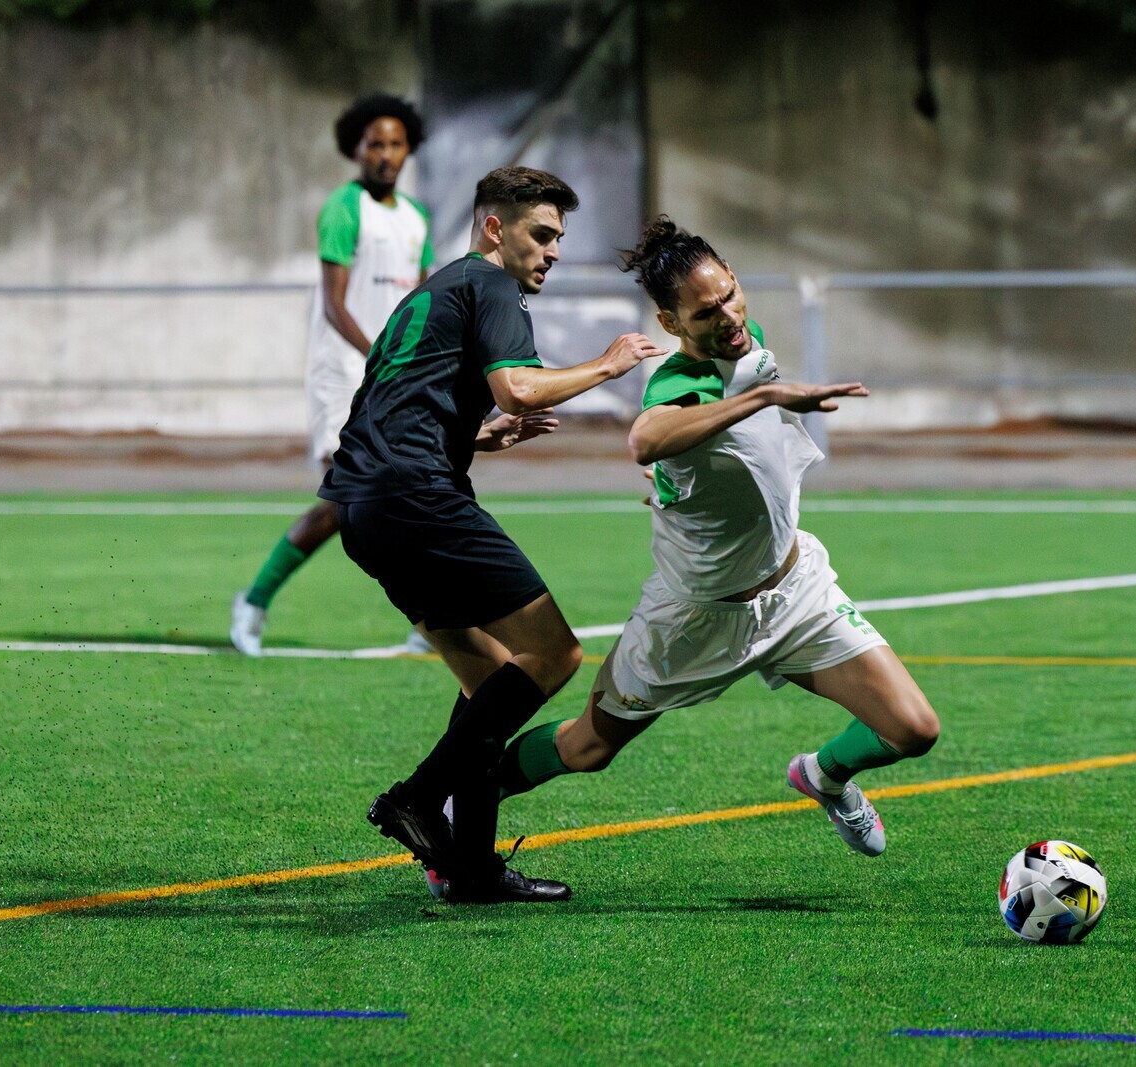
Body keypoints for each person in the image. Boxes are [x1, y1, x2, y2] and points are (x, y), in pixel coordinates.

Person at [444, 217, 942, 895]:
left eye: (729, 295)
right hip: (693, 619)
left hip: (793, 592)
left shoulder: (745, 339)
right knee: (589, 747)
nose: (728, 318)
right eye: (705, 313)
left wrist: (684, 485)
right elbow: (646, 439)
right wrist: (761, 401)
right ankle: (469, 800)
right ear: (671, 323)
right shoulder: (678, 381)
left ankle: (824, 775)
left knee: (914, 728)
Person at [320, 167, 666, 903]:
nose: (552, 251)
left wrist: (475, 436)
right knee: (555, 653)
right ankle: (418, 799)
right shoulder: (492, 284)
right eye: (541, 234)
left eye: (558, 238)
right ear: (494, 228)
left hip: (363, 504)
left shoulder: (435, 289)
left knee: (489, 679)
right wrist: (607, 365)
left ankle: (471, 870)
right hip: (417, 498)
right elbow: (518, 386)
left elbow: (391, 399)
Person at [230, 93, 553, 655]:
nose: (386, 154)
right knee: (353, 497)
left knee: (389, 490)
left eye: (396, 144)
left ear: (409, 150)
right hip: (345, 371)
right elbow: (334, 305)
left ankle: (435, 616)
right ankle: (256, 600)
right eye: (375, 144)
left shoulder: (415, 217)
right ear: (355, 148)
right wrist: (383, 356)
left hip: (395, 375)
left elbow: (426, 296)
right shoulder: (344, 207)